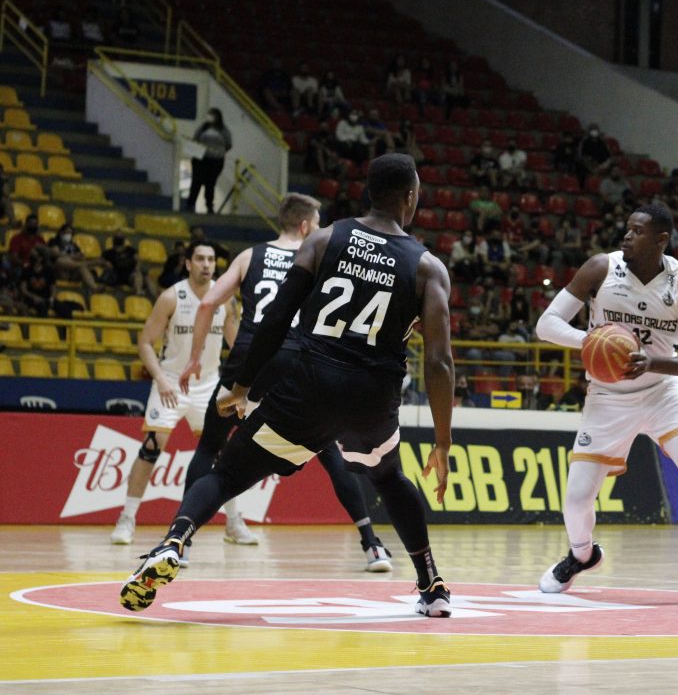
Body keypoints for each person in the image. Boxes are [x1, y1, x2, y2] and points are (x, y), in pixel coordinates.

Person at [120, 155, 454, 618]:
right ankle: (431, 584)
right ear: (411, 198)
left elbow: (277, 318)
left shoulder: (323, 238)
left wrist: (242, 385)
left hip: (310, 386)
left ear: (369, 193)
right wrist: (442, 440)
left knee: (226, 473)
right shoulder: (428, 267)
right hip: (371, 398)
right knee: (388, 478)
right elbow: (439, 362)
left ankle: (174, 542)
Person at [534, 202, 678, 604]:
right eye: (627, 228)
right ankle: (582, 556)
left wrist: (653, 362)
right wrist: (594, 342)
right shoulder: (601, 267)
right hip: (606, 397)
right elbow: (547, 324)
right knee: (576, 499)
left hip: (662, 392)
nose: (627, 236)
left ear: (661, 239)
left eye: (637, 231)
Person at [177, 194, 393, 572]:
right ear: (307, 225)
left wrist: (195, 357)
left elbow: (209, 303)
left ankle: (180, 544)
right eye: (318, 222)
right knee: (330, 453)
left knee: (209, 446)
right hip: (296, 358)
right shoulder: (319, 254)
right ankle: (371, 545)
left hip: (247, 358)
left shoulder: (250, 256)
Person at [110, 242, 244, 545]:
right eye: (200, 259)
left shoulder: (225, 299)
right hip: (171, 381)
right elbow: (145, 342)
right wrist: (160, 378)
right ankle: (127, 518)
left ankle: (234, 522)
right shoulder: (171, 297)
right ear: (188, 264)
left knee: (223, 454)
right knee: (151, 446)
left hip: (208, 384)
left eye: (211, 260)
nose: (206, 264)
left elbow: (237, 346)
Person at [187, 108, 232, 214]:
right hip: (201, 159)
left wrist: (217, 152)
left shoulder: (224, 130)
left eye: (212, 115)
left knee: (210, 183)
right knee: (196, 182)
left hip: (215, 161)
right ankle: (190, 204)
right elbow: (195, 139)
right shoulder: (202, 128)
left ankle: (209, 206)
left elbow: (228, 144)